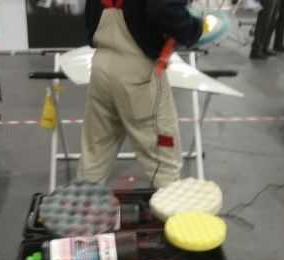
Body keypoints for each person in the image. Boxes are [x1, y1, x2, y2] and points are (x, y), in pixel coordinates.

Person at [78, 0, 203, 188]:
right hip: (138, 74)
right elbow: (163, 8)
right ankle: (168, 202)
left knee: (95, 152)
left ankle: (84, 200)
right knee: (163, 159)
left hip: (101, 67)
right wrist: (194, 29)